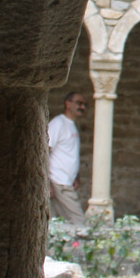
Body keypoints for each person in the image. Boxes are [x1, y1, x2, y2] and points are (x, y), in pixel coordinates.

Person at [48, 91, 88, 226]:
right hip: (59, 181)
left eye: (84, 105)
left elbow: (68, 154)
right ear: (67, 103)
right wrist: (46, 182)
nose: (82, 107)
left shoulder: (71, 125)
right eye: (79, 103)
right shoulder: (58, 123)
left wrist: (76, 176)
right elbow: (45, 151)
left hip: (65, 181)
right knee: (79, 222)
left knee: (53, 223)